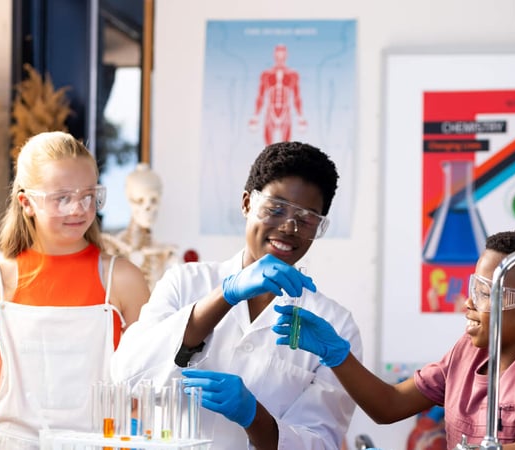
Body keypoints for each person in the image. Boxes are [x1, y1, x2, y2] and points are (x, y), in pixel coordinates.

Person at [112, 141, 362, 449]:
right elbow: (128, 376)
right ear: (247, 204)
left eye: (308, 218)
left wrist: (255, 416)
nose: (288, 226)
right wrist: (224, 297)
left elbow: (321, 442)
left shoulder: (334, 325)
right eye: (275, 208)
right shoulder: (185, 282)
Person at [274, 229, 515, 450]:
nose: (468, 303)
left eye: (485, 293)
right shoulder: (467, 353)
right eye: (474, 288)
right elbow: (389, 406)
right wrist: (337, 355)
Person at [0, 131, 150, 449]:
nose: (78, 208)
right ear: (27, 203)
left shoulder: (123, 280)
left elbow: (147, 392)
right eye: (62, 197)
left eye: (88, 195)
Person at [101, 163, 178, 290]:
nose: (147, 207)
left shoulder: (166, 255)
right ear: (130, 200)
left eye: (153, 200)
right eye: (140, 200)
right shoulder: (110, 247)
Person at [249, 44, 306, 146]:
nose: (280, 58)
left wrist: (300, 117)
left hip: (286, 112)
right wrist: (255, 116)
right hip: (270, 112)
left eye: (282, 55)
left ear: (286, 56)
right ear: (274, 55)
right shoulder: (266, 75)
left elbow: (296, 98)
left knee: (286, 147)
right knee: (268, 147)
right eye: (278, 55)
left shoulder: (292, 75)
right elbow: (260, 96)